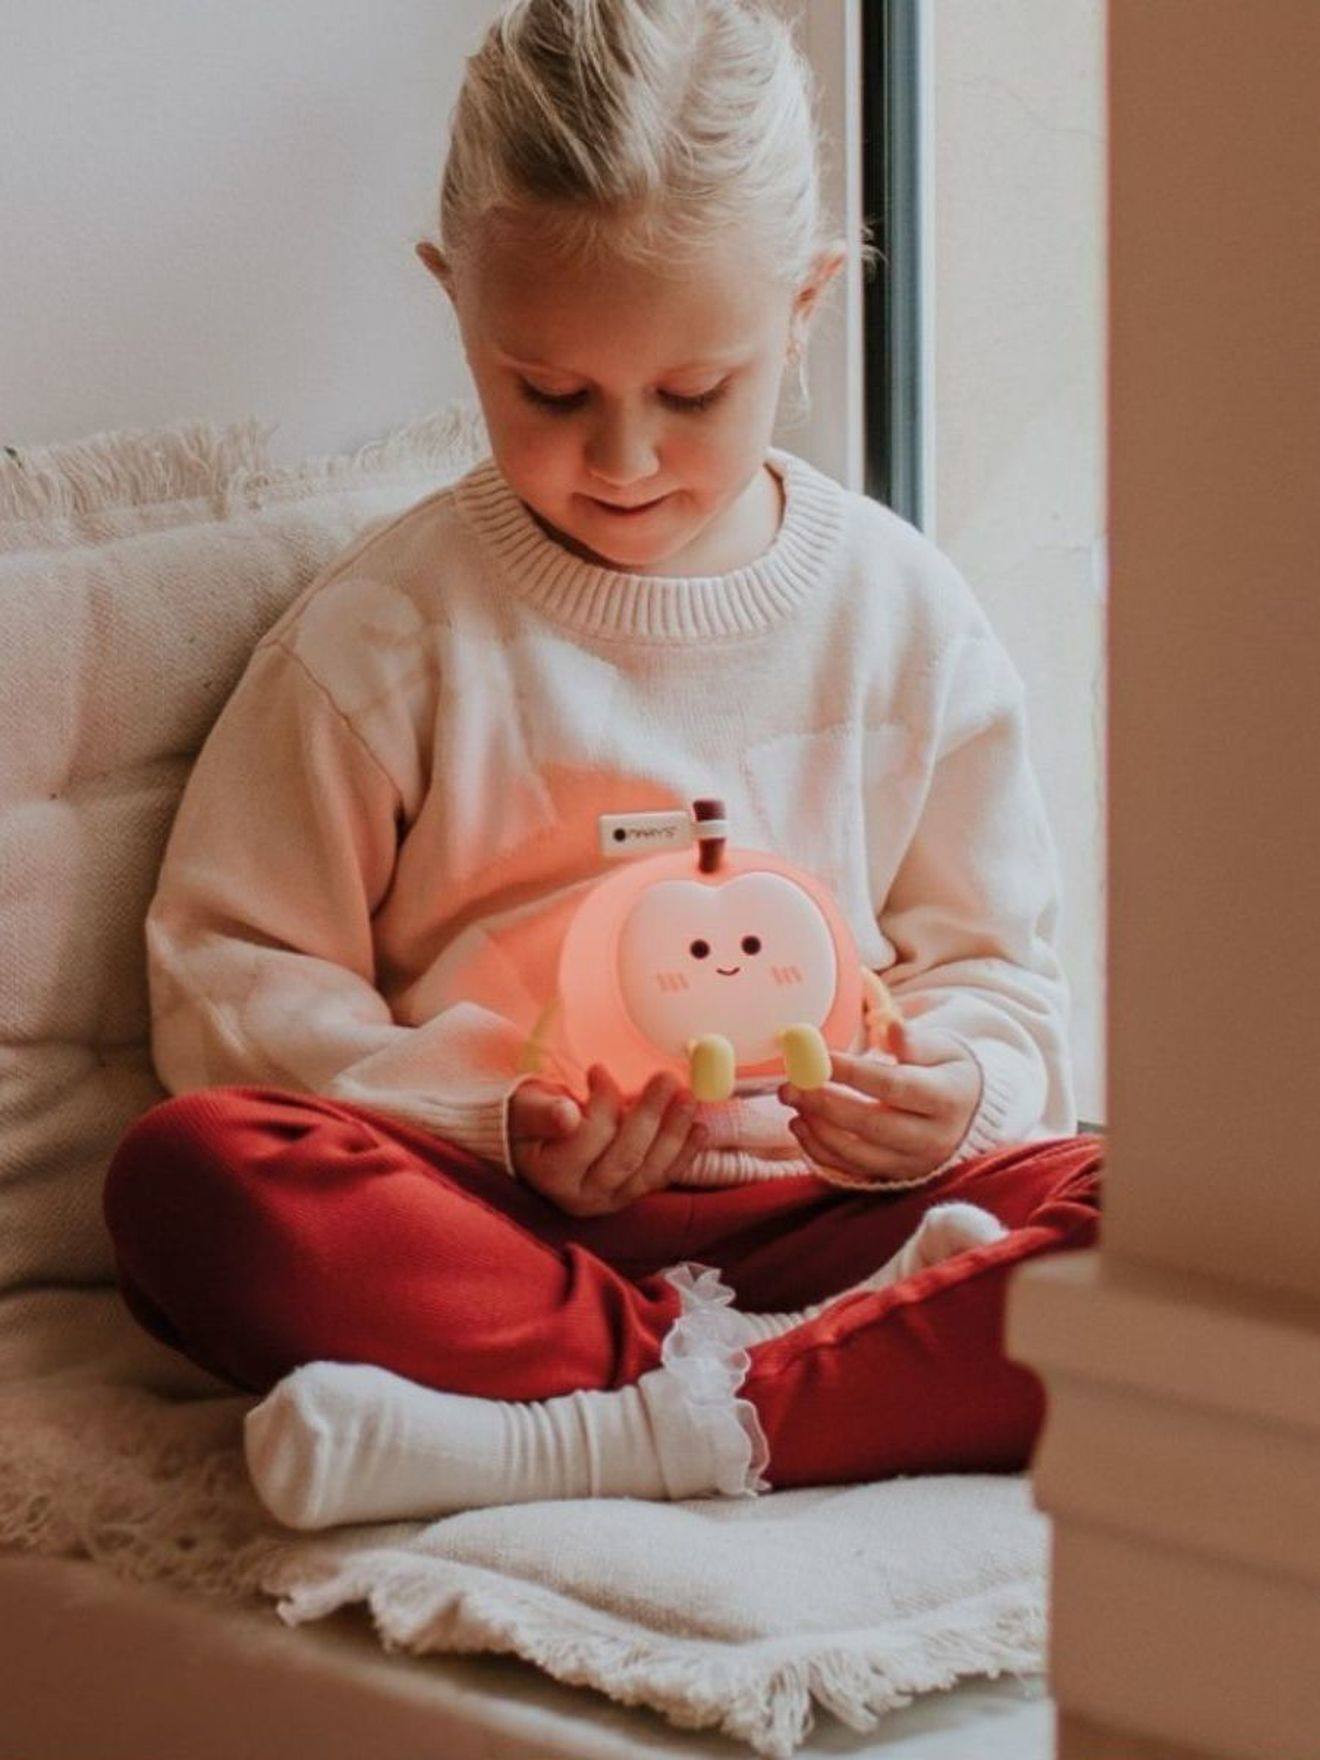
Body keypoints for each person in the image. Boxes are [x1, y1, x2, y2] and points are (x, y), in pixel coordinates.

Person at [102, 0, 1102, 1532]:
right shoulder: (390, 635)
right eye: (549, 394)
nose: (624, 461)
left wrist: (952, 1092)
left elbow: (1000, 969)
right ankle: (803, 1391)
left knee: (1183, 1217)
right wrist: (499, 1113)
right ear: (455, 307)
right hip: (502, 1225)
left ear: (807, 310)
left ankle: (596, 1432)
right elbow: (232, 977)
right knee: (191, 1178)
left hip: (841, 1214)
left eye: (692, 395)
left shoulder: (903, 617)